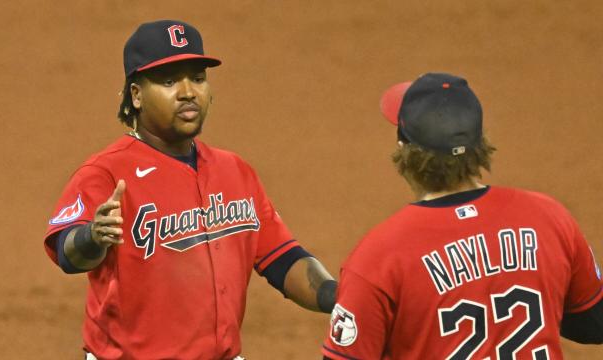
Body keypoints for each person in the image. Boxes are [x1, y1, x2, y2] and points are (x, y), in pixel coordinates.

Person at [43, 20, 337, 360]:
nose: (188, 92)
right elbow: (67, 252)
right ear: (136, 95)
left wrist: (339, 296)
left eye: (197, 78)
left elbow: (283, 260)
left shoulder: (235, 171)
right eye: (169, 81)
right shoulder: (106, 173)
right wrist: (93, 238)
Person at [322, 73, 603, 359]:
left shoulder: (378, 257)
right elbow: (594, 323)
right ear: (480, 144)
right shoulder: (549, 218)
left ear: (403, 150)